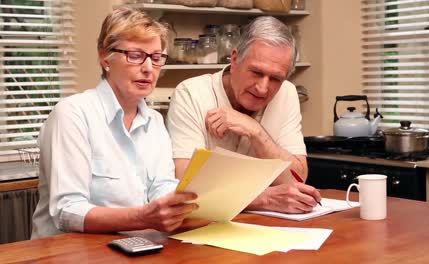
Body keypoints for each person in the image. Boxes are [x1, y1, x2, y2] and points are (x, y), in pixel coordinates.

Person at [31, 7, 198, 239]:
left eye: (156, 57)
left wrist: (181, 204)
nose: (149, 68)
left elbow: (161, 188)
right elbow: (67, 211)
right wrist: (143, 217)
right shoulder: (72, 114)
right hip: (69, 252)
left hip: (136, 246)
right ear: (105, 57)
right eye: (136, 55)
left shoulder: (155, 121)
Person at [166, 16, 321, 214]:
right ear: (234, 58)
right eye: (256, 72)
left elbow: (296, 179)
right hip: (203, 225)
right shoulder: (191, 93)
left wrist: (256, 131)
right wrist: (264, 198)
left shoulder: (287, 92)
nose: (263, 88)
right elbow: (186, 189)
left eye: (275, 78)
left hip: (266, 228)